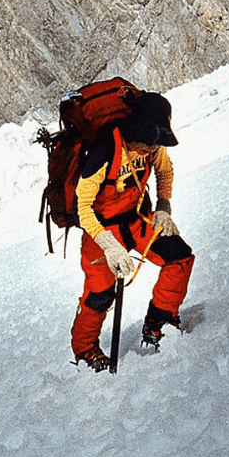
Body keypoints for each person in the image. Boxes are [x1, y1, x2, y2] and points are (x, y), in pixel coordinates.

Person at [70, 91, 195, 370]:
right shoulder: (105, 151)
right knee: (100, 294)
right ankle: (85, 350)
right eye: (148, 143)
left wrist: (163, 207)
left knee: (179, 257)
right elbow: (83, 207)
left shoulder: (152, 145)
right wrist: (108, 244)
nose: (152, 149)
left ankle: (158, 323)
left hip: (137, 219)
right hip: (100, 229)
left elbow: (165, 171)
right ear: (135, 132)